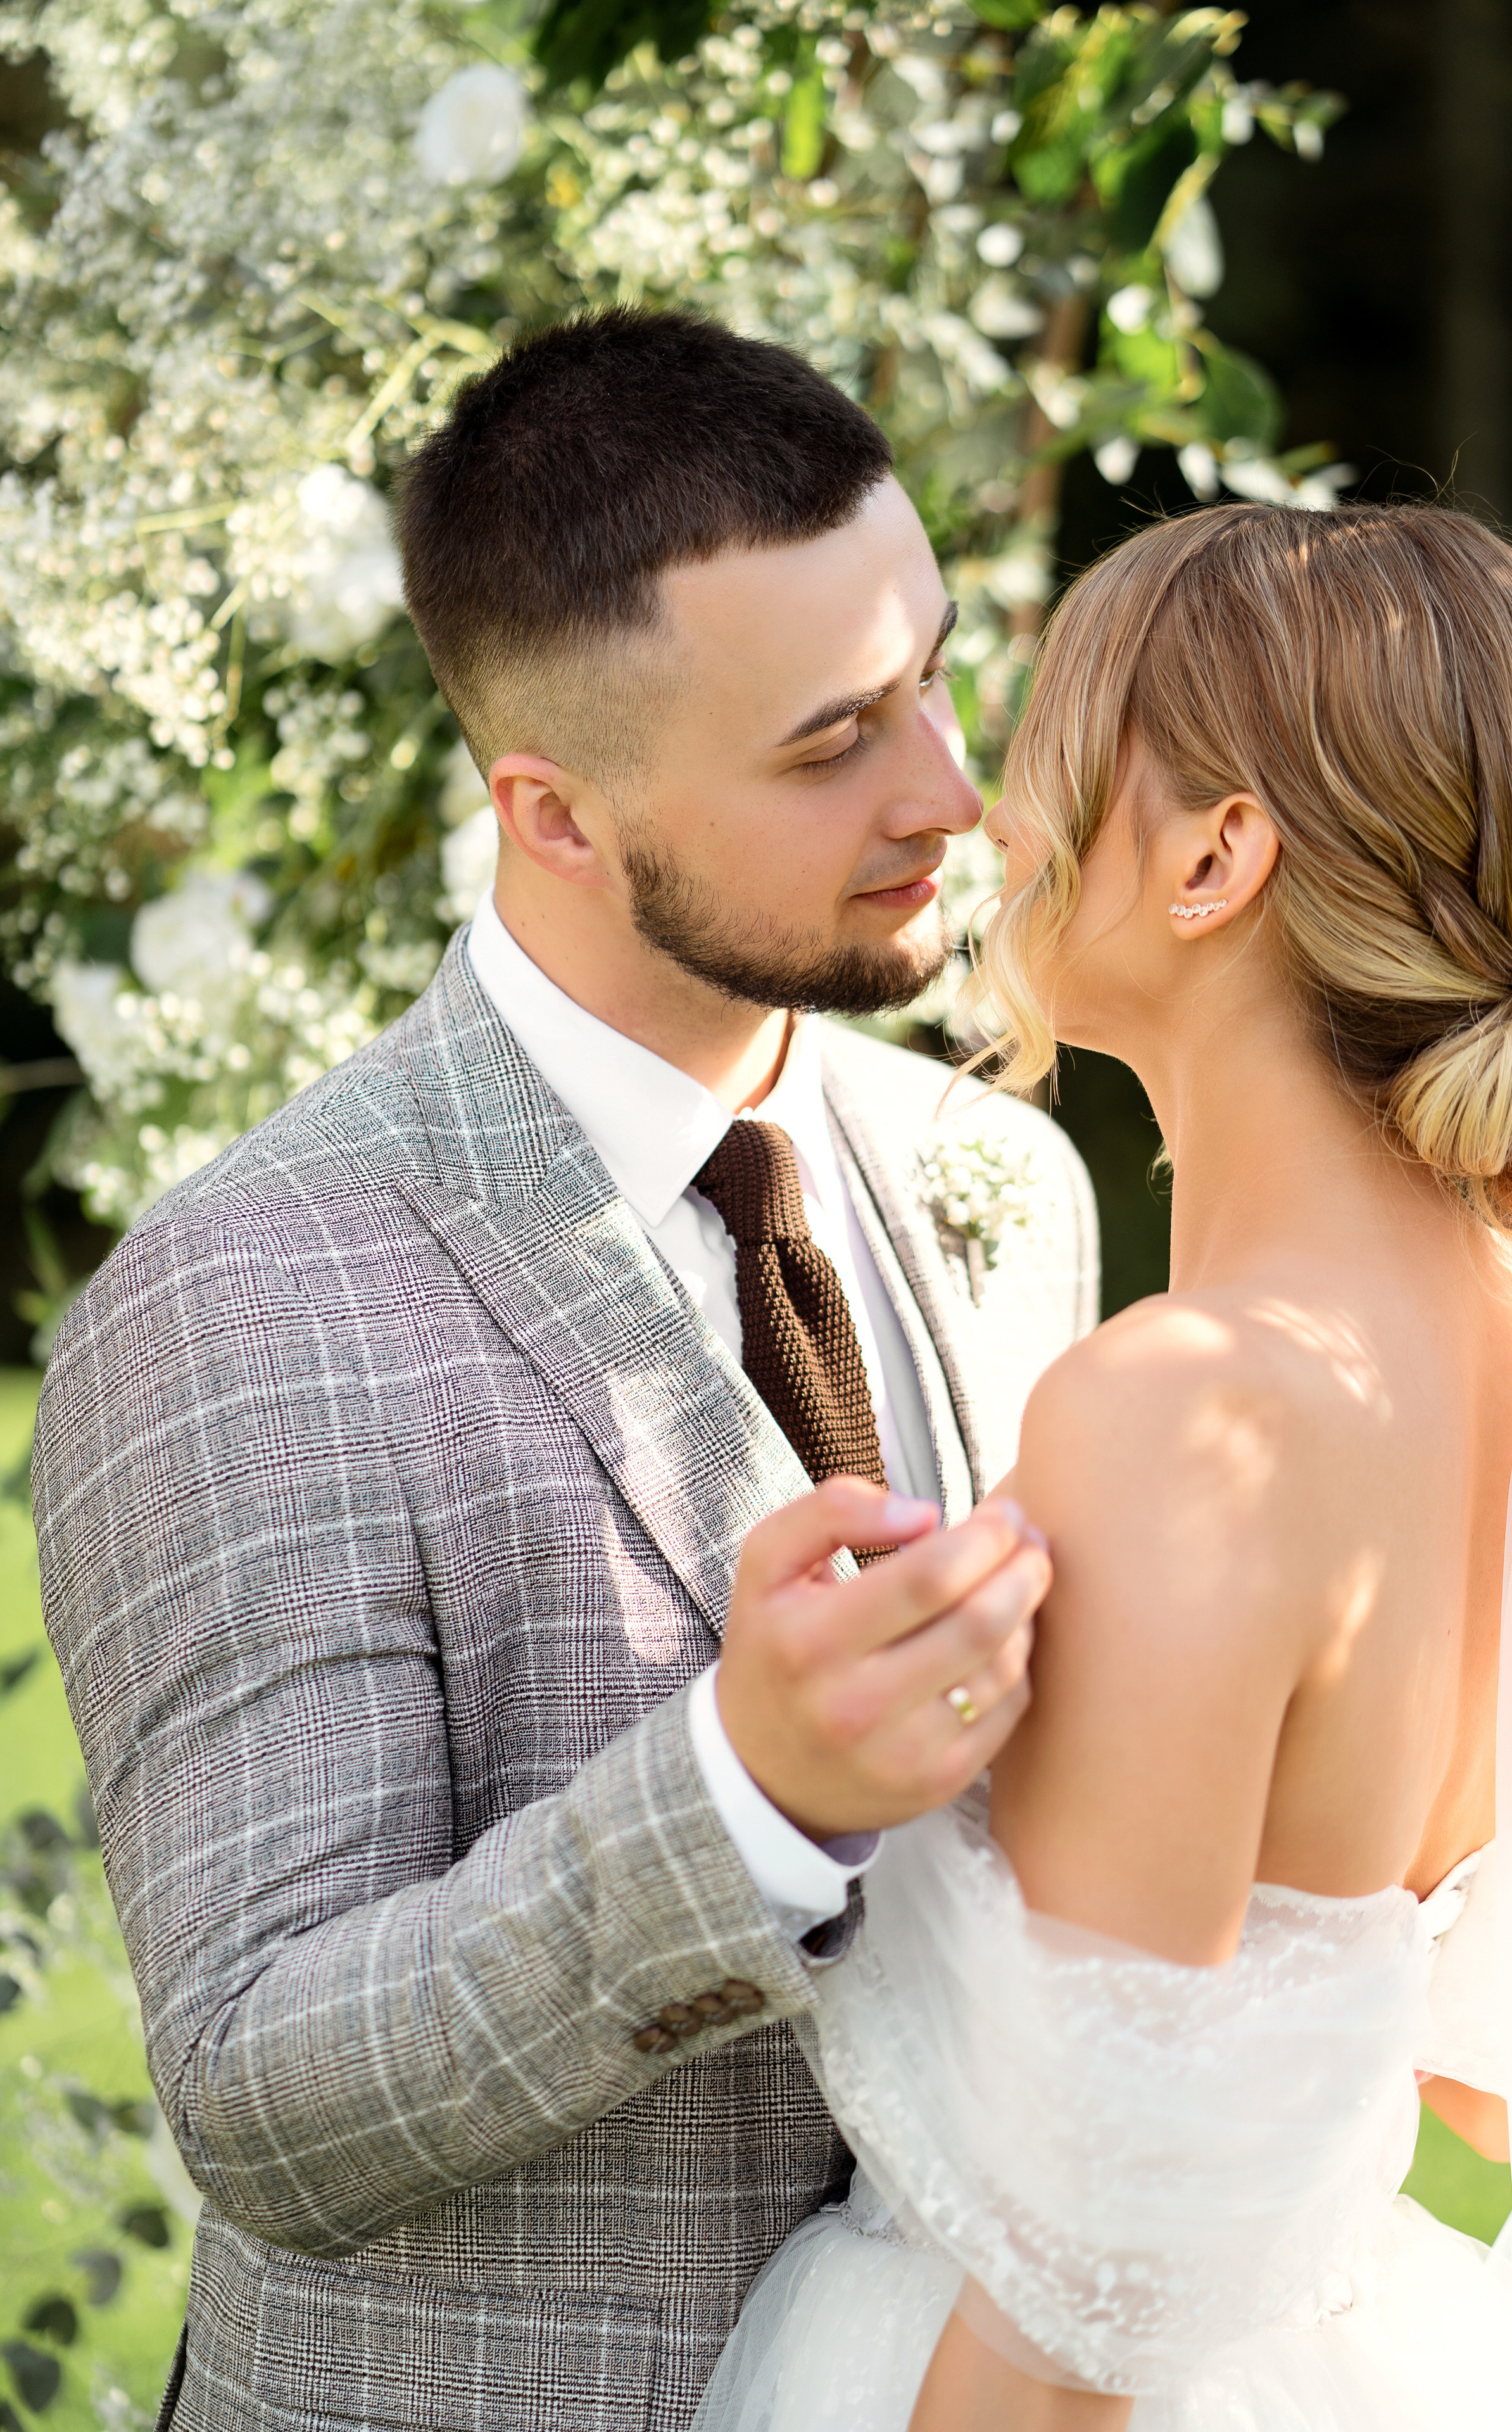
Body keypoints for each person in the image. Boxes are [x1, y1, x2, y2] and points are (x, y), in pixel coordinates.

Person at [30, 310, 1097, 2432]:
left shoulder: (1008, 1178)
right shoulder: (246, 1300)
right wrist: (747, 1804)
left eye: (938, 671)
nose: (953, 793)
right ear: (557, 814)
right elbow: (263, 2096)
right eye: (831, 746)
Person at [693, 499, 1512, 2431]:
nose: (983, 813)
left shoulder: (1191, 1412)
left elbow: (1078, 2326)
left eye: (1048, 740)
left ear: (1215, 857)